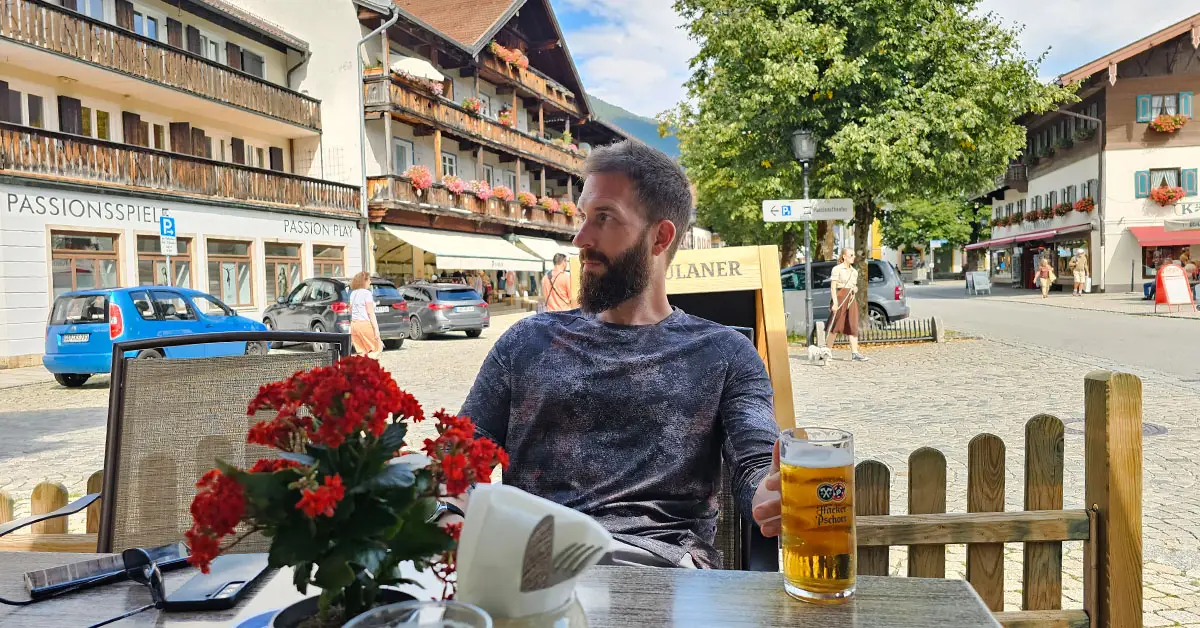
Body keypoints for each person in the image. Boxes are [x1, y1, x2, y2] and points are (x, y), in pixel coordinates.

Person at [460, 140, 781, 569]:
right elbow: (458, 458)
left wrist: (771, 493)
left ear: (660, 237)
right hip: (532, 567)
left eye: (604, 218)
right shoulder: (526, 342)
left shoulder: (724, 354)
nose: (580, 239)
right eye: (582, 218)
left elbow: (755, 463)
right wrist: (441, 505)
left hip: (658, 569)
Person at [826, 248, 869, 362]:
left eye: (853, 255)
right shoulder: (837, 269)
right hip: (840, 297)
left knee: (852, 324)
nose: (853, 257)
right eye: (851, 255)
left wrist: (855, 289)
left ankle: (855, 353)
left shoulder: (854, 271)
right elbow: (833, 287)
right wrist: (835, 302)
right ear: (844, 256)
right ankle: (827, 351)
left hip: (851, 298)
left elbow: (854, 286)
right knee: (835, 325)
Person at [348, 271, 383, 358]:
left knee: (361, 353)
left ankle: (362, 370)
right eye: (369, 280)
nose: (370, 282)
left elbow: (350, 310)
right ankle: (372, 369)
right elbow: (370, 313)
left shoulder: (353, 293)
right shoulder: (367, 293)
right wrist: (376, 330)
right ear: (364, 281)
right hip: (364, 324)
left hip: (354, 325)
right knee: (376, 349)